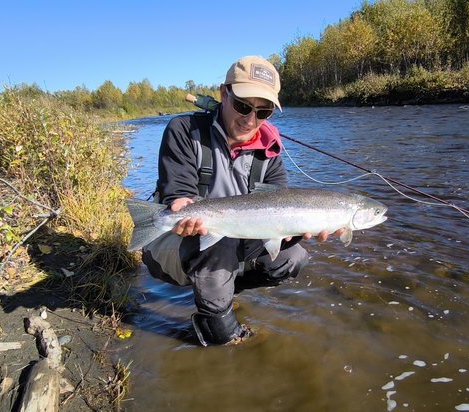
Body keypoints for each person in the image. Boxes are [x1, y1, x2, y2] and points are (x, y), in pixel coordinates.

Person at [142, 56, 342, 346]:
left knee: (292, 257)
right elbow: (179, 193)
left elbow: (277, 215)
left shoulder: (270, 155)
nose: (250, 119)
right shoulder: (184, 131)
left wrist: (299, 231)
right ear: (224, 94)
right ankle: (215, 313)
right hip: (173, 239)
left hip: (231, 237)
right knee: (222, 320)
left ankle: (220, 289)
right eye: (243, 106)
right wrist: (180, 208)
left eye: (264, 111)